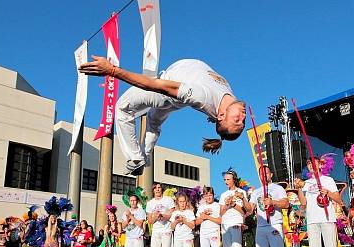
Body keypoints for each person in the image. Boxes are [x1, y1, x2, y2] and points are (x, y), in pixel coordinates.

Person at [78, 57, 246, 175]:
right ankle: (146, 156)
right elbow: (218, 116)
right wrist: (215, 118)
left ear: (222, 116)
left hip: (165, 93)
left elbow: (153, 85)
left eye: (237, 120)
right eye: (242, 122)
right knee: (153, 121)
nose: (243, 117)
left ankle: (136, 158)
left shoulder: (199, 95)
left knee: (123, 108)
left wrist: (112, 70)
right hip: (176, 101)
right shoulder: (229, 101)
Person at [298, 157, 344, 247]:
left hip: (327, 218)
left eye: (313, 162)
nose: (311, 165)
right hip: (312, 220)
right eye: (308, 163)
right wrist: (299, 189)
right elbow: (303, 203)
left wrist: (328, 193)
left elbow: (338, 199)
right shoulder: (306, 183)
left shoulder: (328, 180)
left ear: (320, 164)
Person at [249, 166, 291, 247]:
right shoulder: (256, 191)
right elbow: (250, 208)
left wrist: (273, 202)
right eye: (261, 174)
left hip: (274, 224)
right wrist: (242, 199)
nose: (263, 176)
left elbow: (286, 204)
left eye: (266, 173)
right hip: (261, 226)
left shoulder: (278, 188)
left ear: (271, 174)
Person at [219, 170, 249, 247]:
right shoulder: (223, 195)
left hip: (236, 222)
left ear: (234, 179)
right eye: (225, 179)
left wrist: (234, 204)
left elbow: (245, 211)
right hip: (225, 224)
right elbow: (221, 212)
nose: (226, 181)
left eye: (228, 179)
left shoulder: (241, 192)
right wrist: (227, 205)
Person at [146, 183, 175, 247]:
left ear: (161, 189)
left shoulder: (168, 200)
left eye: (159, 188)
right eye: (155, 188)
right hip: (156, 231)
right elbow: (149, 220)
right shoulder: (150, 203)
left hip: (166, 230)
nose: (157, 190)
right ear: (153, 190)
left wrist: (163, 216)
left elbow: (173, 214)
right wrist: (155, 217)